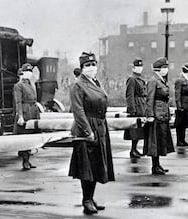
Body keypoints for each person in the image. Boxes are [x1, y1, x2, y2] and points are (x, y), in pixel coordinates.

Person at [69, 52, 115, 214]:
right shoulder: (78, 85)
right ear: (81, 68)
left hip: (99, 126)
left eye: (93, 64)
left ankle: (91, 197)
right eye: (87, 65)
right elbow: (78, 110)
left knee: (96, 165)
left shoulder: (95, 82)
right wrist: (88, 131)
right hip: (86, 128)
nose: (91, 68)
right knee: (86, 167)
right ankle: (86, 199)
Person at [144, 57, 175, 175]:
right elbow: (149, 99)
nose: (166, 69)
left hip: (162, 114)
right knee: (155, 142)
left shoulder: (161, 80)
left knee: (160, 141)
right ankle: (154, 166)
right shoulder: (153, 81)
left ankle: (157, 165)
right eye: (164, 67)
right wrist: (150, 115)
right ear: (158, 69)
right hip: (156, 115)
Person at [13, 63, 40, 170]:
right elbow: (18, 102)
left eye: (30, 72)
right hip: (25, 111)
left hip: (33, 111)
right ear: (22, 73)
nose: (29, 74)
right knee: (25, 137)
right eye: (27, 71)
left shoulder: (30, 84)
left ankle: (28, 160)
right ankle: (25, 161)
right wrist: (20, 116)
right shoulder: (18, 85)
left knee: (32, 137)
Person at [124, 58, 147, 159]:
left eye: (141, 66)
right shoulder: (132, 79)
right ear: (133, 68)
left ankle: (135, 149)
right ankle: (133, 150)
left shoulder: (140, 78)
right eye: (137, 67)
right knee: (134, 130)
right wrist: (132, 109)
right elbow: (130, 95)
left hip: (142, 106)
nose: (140, 68)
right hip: (136, 106)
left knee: (139, 130)